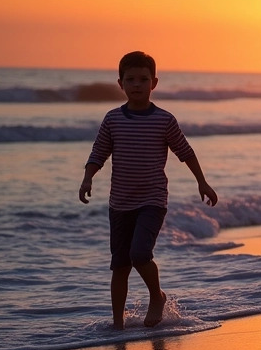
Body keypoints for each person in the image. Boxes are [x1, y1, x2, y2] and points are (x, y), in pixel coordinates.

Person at [79, 51, 218, 330]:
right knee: (120, 264)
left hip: (152, 200)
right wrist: (87, 178)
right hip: (119, 203)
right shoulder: (112, 119)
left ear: (154, 83)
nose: (137, 85)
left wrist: (201, 181)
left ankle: (157, 296)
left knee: (140, 253)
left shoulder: (164, 120)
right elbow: (99, 153)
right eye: (130, 79)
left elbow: (185, 152)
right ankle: (117, 324)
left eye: (143, 79)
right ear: (120, 83)